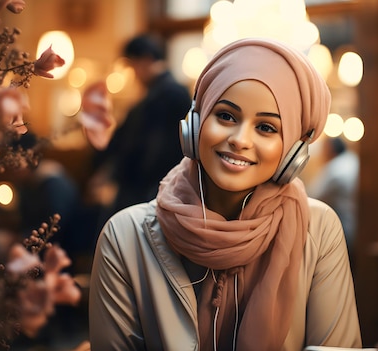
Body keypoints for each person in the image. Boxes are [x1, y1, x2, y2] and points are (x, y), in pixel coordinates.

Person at [88, 38, 361, 350]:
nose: (240, 140)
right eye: (226, 116)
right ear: (195, 123)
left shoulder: (319, 227)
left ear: (294, 153)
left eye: (267, 128)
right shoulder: (124, 236)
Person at [90, 33, 192, 225]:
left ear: (145, 60)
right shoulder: (161, 93)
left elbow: (155, 149)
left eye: (132, 66)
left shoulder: (168, 94)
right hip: (149, 186)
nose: (133, 74)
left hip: (150, 189)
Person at [306, 137, 359, 252]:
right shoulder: (354, 160)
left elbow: (312, 196)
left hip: (343, 227)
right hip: (358, 225)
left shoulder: (335, 169)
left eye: (324, 150)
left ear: (330, 149)